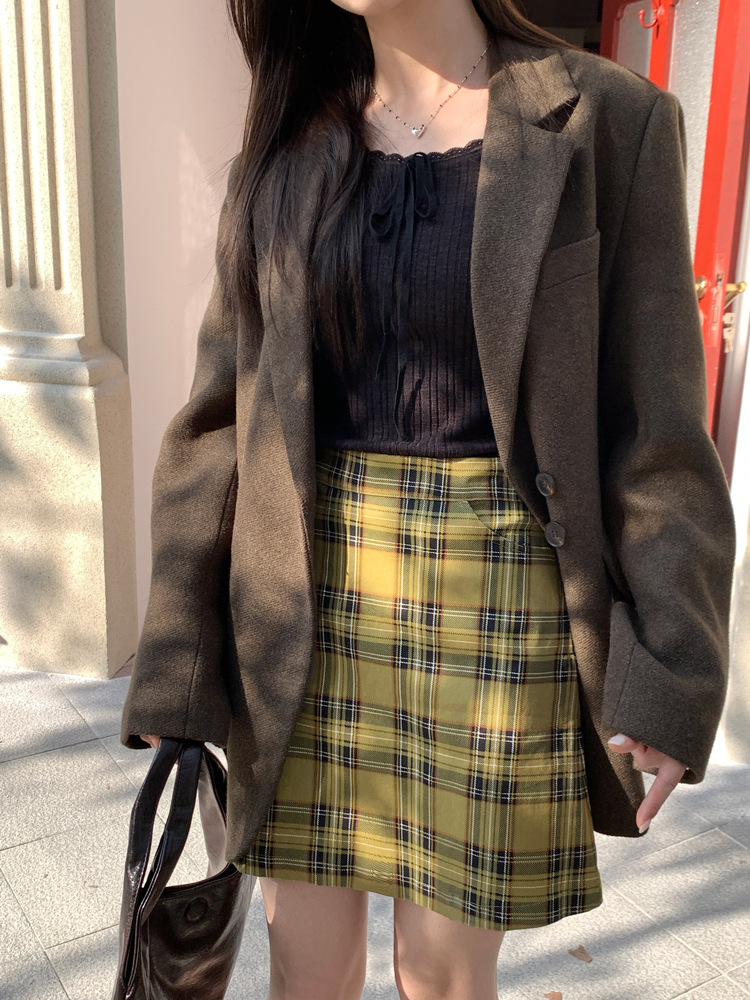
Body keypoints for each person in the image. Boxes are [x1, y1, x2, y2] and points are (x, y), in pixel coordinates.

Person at [123, 1, 737, 998]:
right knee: (304, 971)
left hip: (499, 610)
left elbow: (657, 431)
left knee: (444, 979)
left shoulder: (608, 120)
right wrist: (177, 662)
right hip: (298, 612)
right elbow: (218, 427)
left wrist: (674, 662)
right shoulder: (285, 145)